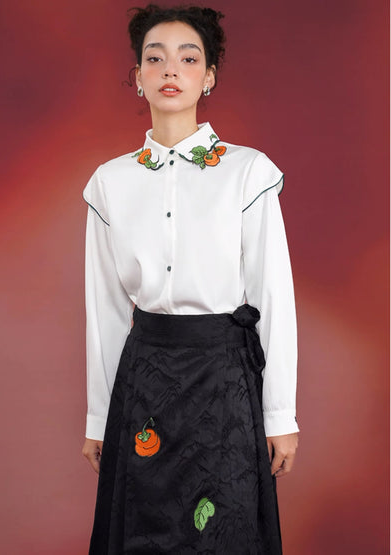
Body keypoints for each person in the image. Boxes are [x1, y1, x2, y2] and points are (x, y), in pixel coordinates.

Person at [81, 4, 299, 554]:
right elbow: (105, 311)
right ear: (138, 77)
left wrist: (280, 413)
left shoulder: (248, 172)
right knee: (143, 531)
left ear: (209, 76)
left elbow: (273, 297)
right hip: (145, 381)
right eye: (155, 59)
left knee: (223, 534)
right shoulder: (110, 183)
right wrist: (98, 418)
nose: (171, 70)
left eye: (188, 58)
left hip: (224, 380)